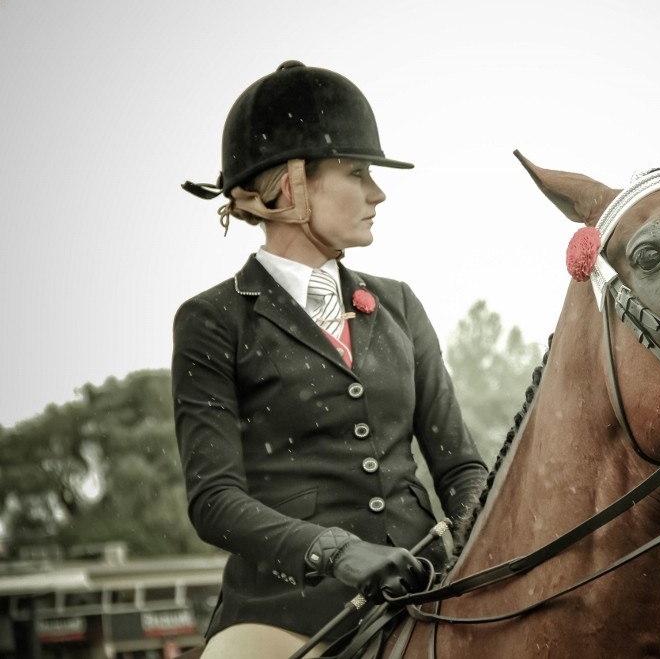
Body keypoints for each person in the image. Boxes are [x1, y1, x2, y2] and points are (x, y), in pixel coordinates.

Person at [174, 60, 488, 658]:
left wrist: (483, 540)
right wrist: (333, 551)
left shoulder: (397, 304)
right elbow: (214, 500)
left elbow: (459, 467)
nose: (378, 192)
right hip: (283, 611)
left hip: (430, 592)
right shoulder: (214, 319)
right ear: (289, 186)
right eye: (357, 172)